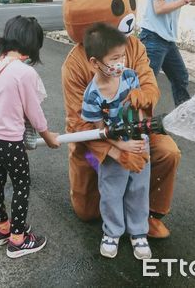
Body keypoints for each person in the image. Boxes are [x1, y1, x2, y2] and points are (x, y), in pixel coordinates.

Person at [60, 0, 180, 240]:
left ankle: (149, 214)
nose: (128, 15)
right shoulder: (75, 64)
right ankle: (111, 209)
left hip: (135, 132)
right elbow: (79, 124)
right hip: (94, 144)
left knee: (167, 151)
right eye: (117, 8)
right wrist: (115, 154)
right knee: (88, 211)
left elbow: (149, 81)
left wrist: (145, 94)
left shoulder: (134, 46)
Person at [0, 16, 60, 259]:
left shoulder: (0, 63)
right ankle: (18, 239)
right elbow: (34, 113)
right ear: (31, 44)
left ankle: (2, 228)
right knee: (21, 185)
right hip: (8, 140)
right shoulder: (23, 72)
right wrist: (48, 137)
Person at [81, 23, 151, 260]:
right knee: (111, 191)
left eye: (122, 56)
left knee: (139, 188)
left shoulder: (130, 77)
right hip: (114, 150)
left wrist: (139, 137)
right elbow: (100, 132)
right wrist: (122, 147)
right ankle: (112, 232)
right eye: (114, 58)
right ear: (94, 62)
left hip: (138, 142)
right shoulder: (92, 96)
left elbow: (138, 111)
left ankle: (139, 232)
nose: (121, 62)